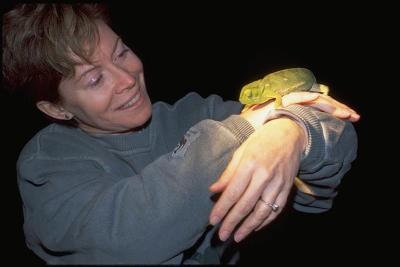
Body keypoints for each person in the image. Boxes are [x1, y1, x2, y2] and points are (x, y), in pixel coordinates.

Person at [3, 3, 359, 265]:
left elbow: (336, 136)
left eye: (122, 52)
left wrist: (291, 132)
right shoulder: (46, 166)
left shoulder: (192, 113)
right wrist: (248, 127)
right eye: (95, 79)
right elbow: (128, 238)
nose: (127, 79)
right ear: (56, 108)